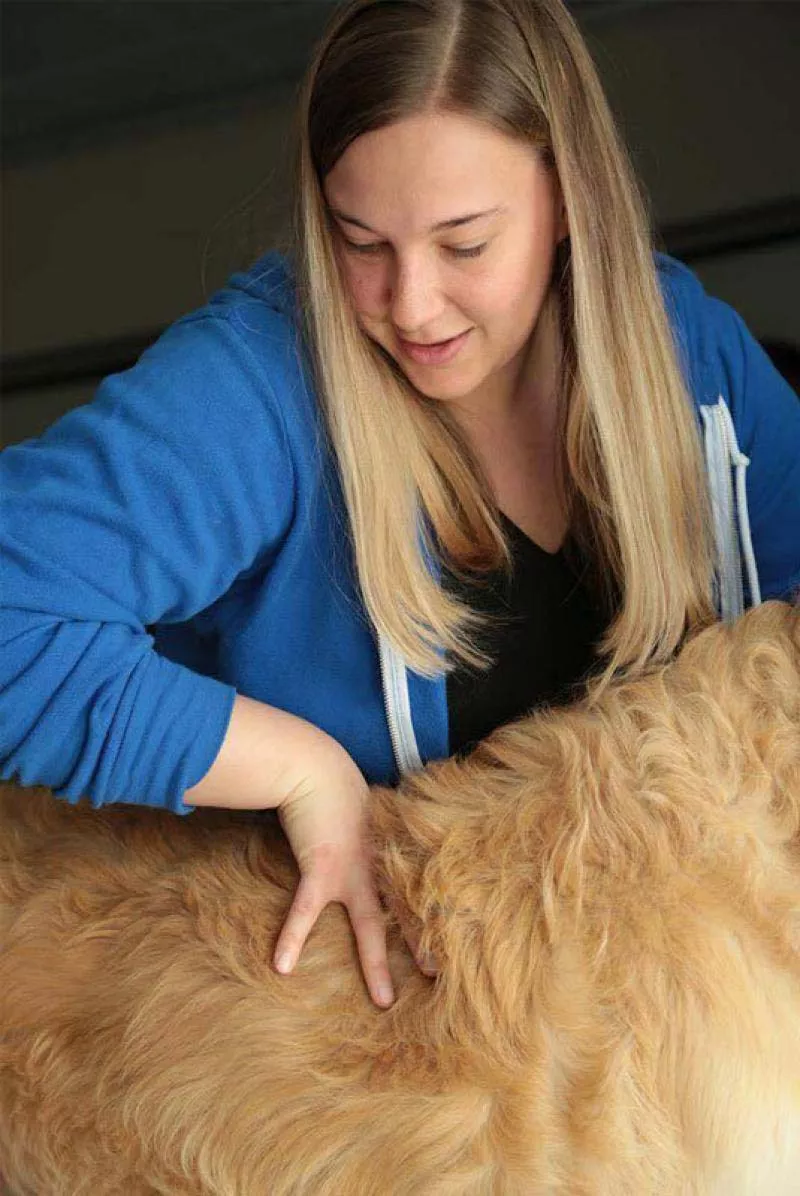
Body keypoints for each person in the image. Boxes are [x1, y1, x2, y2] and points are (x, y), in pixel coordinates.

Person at [1, 0, 798, 1012]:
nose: (410, 304)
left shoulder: (686, 344)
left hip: (641, 1048)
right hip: (358, 1070)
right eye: (357, 240)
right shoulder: (256, 385)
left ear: (567, 201)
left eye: (463, 245)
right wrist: (300, 769)